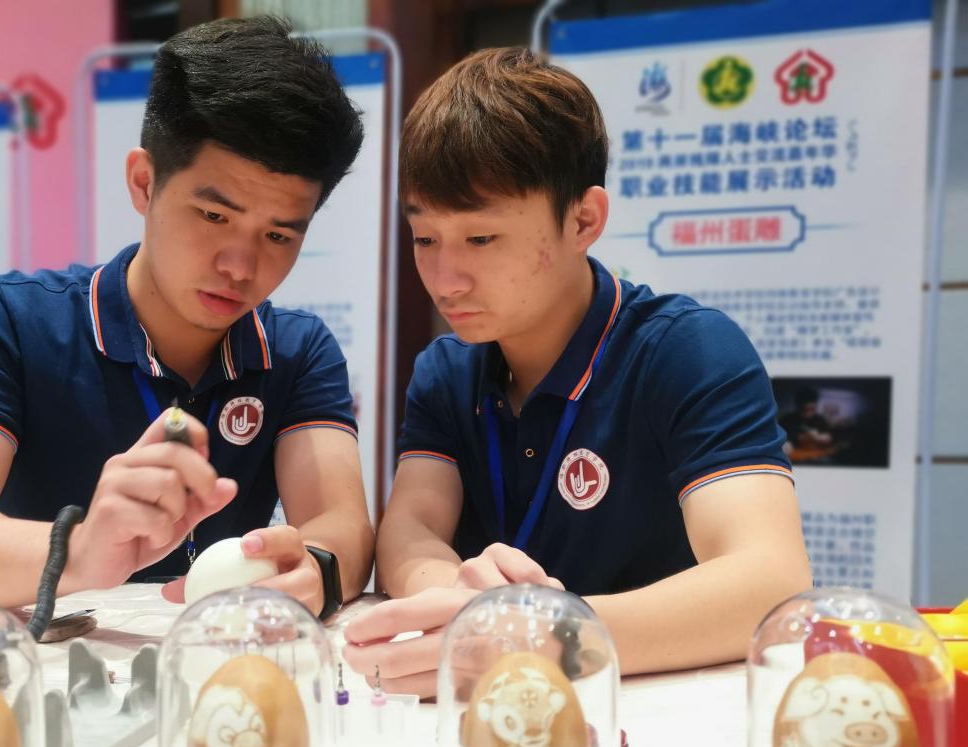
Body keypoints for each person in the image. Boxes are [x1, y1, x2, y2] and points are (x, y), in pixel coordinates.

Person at [344, 48, 811, 696]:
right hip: (494, 708)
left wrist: (549, 633)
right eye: (425, 238)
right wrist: (468, 608)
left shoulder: (688, 351)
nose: (445, 279)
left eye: (481, 239)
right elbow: (413, 529)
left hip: (658, 712)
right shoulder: (447, 370)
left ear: (584, 220)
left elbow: (772, 581)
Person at [0, 17, 374, 617]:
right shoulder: (15, 321)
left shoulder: (296, 351)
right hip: (32, 657)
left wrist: (314, 568)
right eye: (214, 217)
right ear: (144, 182)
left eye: (277, 235)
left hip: (215, 655)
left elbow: (342, 524)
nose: (240, 267)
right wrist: (81, 551)